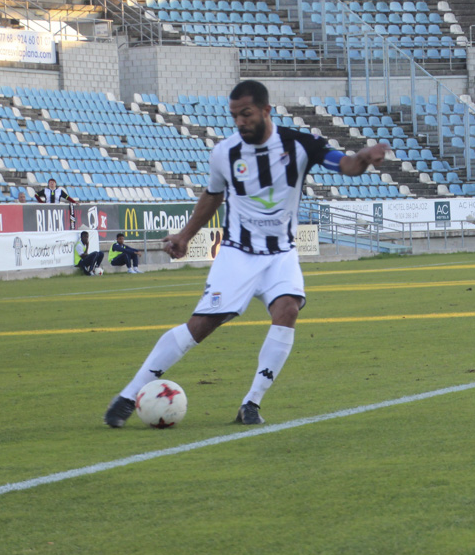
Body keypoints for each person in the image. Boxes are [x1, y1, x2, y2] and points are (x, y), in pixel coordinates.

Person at [104, 80, 389, 427]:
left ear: (267, 111)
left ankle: (251, 403)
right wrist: (184, 235)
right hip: (238, 254)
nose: (240, 121)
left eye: (247, 114)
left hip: (281, 254)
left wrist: (364, 158)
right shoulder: (225, 153)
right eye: (235, 115)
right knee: (201, 325)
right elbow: (212, 196)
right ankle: (128, 395)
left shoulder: (300, 145)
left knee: (287, 310)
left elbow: (345, 165)